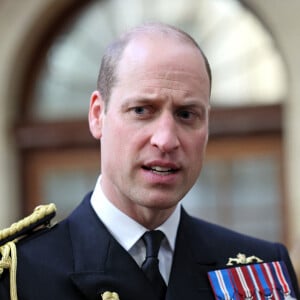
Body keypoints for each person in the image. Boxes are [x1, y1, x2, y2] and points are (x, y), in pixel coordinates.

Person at [0, 22, 299, 300]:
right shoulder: (20, 275)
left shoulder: (262, 273)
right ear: (97, 115)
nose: (166, 140)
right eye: (142, 110)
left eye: (186, 114)